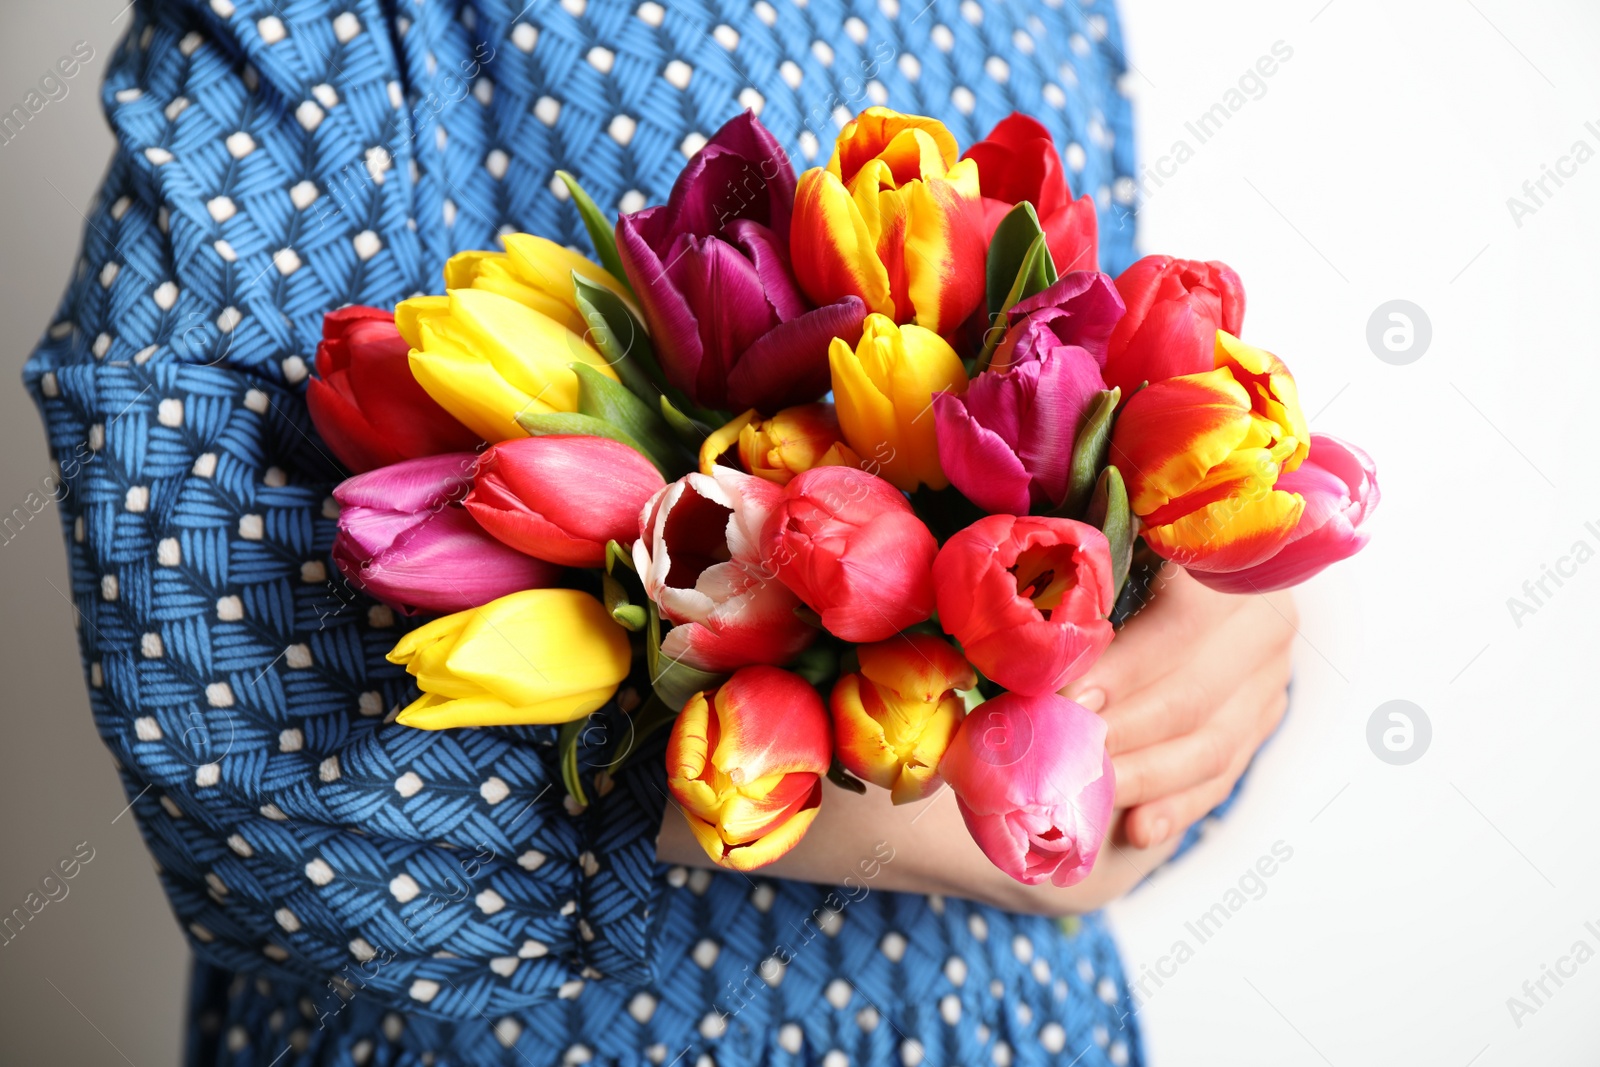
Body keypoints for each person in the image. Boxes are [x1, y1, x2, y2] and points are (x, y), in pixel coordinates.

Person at [23, 1, 1292, 1063]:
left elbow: (1095, 426)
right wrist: (940, 813)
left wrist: (1220, 610)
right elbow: (215, 686)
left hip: (1015, 1023)